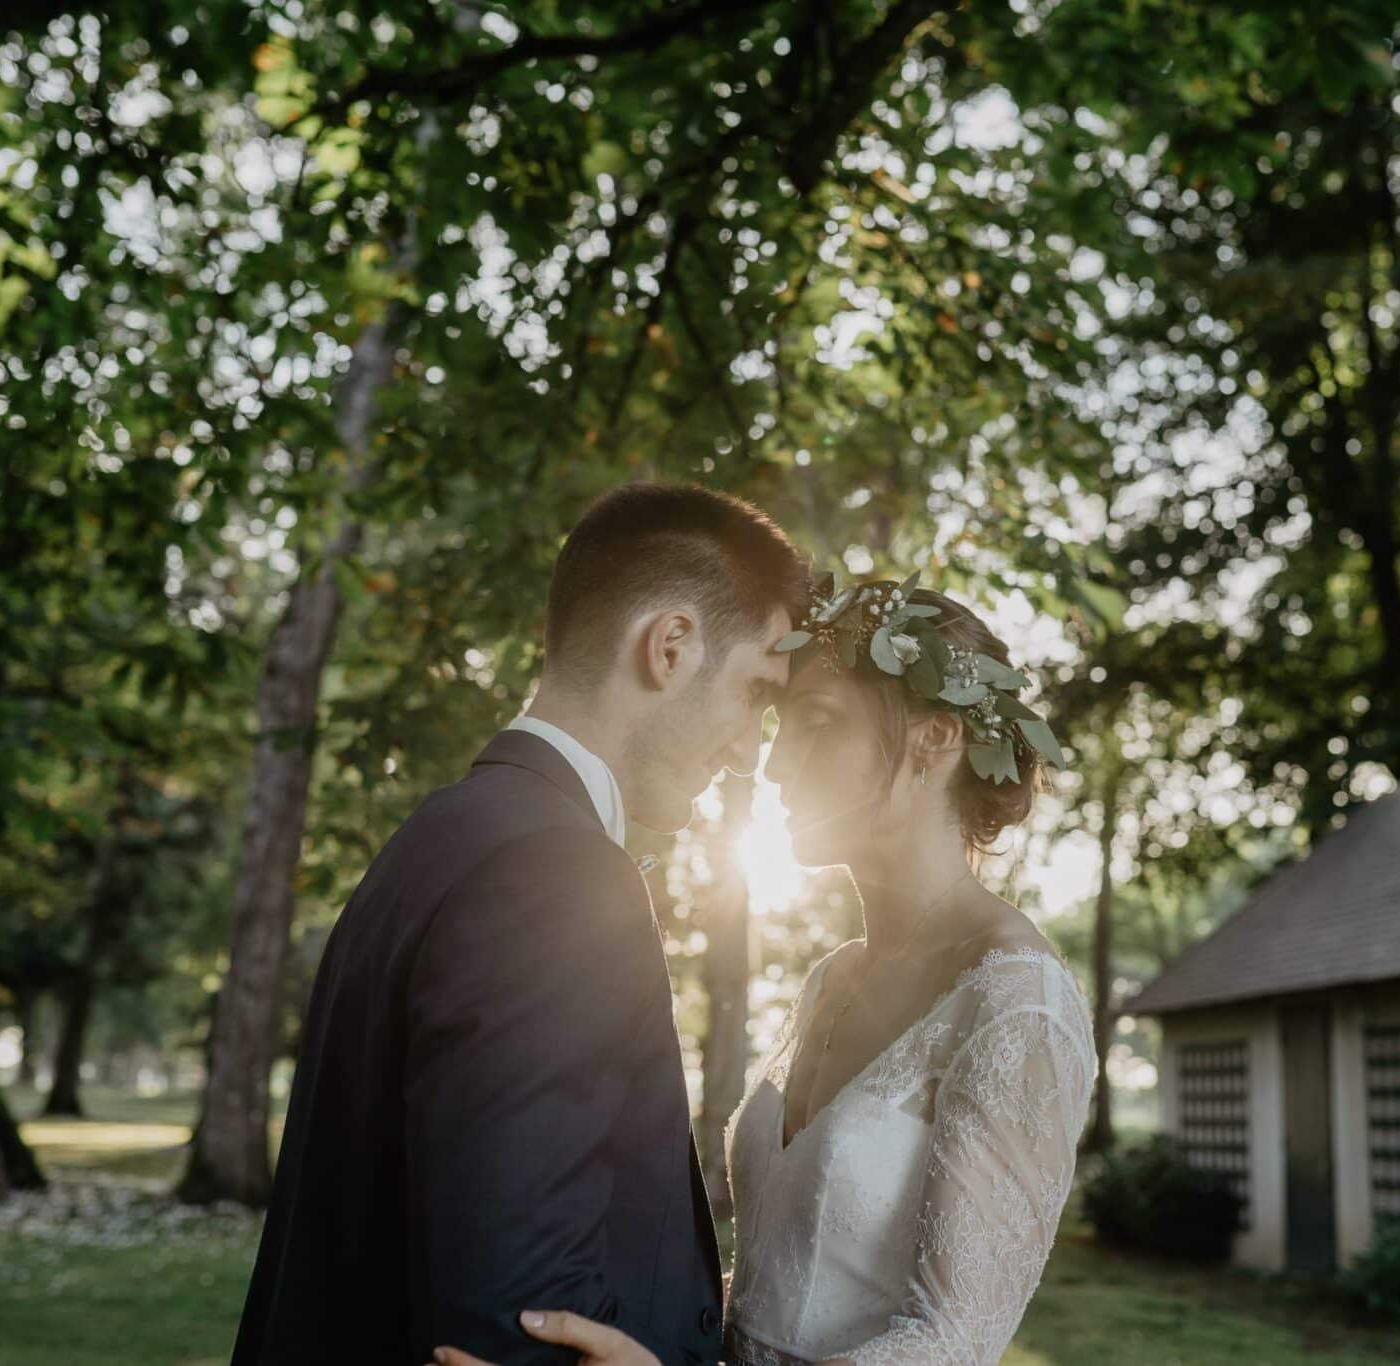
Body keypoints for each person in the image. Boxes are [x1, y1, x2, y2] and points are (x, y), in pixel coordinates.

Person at [437, 572, 1096, 1366]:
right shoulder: (830, 981)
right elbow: (780, 1290)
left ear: (935, 738)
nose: (775, 765)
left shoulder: (1019, 1005)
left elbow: (950, 1343)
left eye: (816, 724)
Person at [229, 482, 809, 1366]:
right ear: (672, 646)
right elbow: (516, 1325)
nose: (745, 754)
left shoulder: (445, 833)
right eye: (756, 694)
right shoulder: (554, 872)